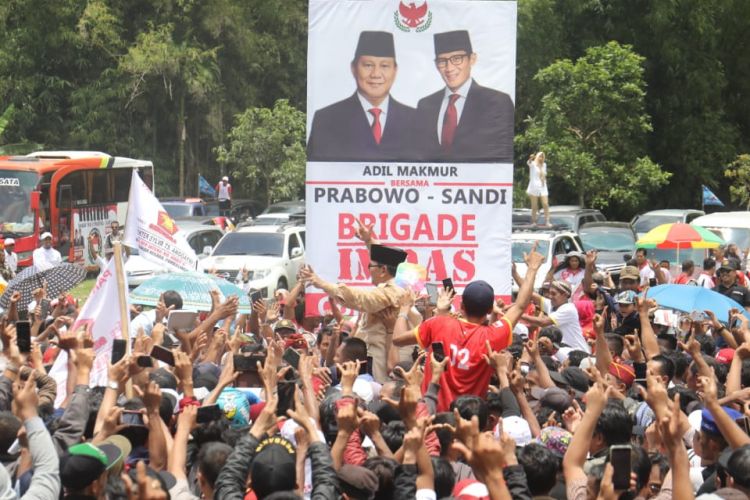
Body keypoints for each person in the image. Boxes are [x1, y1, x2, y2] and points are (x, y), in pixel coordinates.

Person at [392, 245, 544, 411]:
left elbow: (398, 339)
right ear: (488, 311)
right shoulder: (492, 337)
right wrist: (532, 268)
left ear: (461, 306)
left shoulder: (437, 323)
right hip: (470, 420)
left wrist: (404, 309)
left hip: (431, 418)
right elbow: (521, 305)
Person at [301, 243, 406, 382]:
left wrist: (321, 284)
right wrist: (368, 240)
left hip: (382, 359)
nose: (369, 270)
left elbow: (361, 299)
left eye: (370, 266)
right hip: (371, 356)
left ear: (383, 270)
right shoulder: (391, 288)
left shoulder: (393, 291)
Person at [307, 31, 416, 162]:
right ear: (353, 68)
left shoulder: (417, 121)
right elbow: (317, 174)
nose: (376, 74)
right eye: (368, 65)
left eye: (385, 66)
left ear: (395, 71)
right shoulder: (326, 120)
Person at [415, 30, 514, 163]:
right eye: (442, 61)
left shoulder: (497, 102)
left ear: (472, 59)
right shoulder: (425, 106)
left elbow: (502, 156)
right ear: (436, 65)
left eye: (457, 59)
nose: (449, 68)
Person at [526, 152, 550, 226]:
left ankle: (547, 221)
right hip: (534, 186)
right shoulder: (533, 164)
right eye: (540, 156)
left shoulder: (544, 165)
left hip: (543, 186)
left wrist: (541, 170)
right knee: (534, 206)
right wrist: (531, 158)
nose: (541, 158)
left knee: (545, 204)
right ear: (537, 157)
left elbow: (544, 174)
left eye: (542, 157)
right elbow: (528, 162)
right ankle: (534, 221)